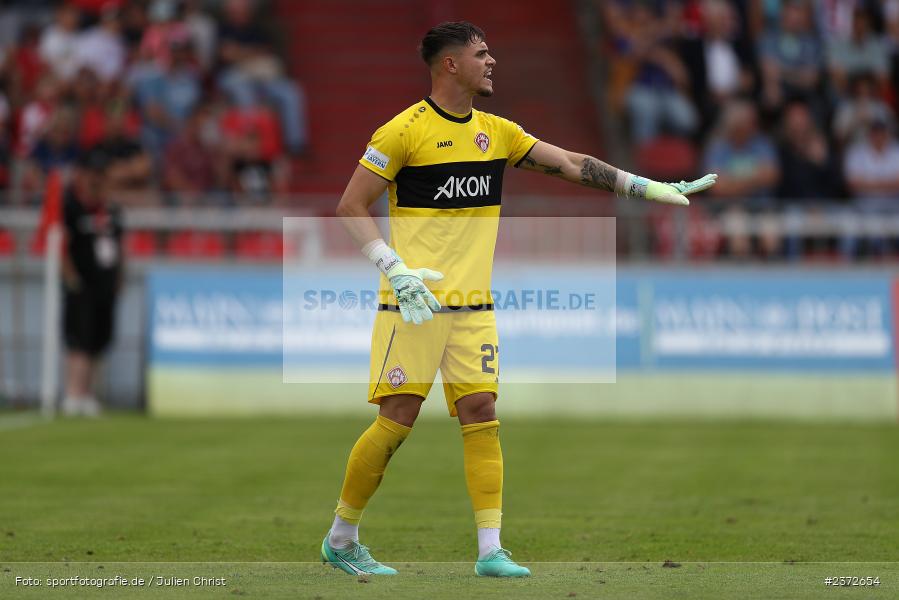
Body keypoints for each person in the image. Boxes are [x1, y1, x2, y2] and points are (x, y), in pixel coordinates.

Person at [321, 21, 717, 577]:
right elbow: (349, 206)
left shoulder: (498, 132)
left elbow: (573, 164)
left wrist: (650, 187)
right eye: (481, 54)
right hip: (414, 304)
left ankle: (490, 551)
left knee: (481, 413)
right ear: (449, 64)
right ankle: (341, 537)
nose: (492, 62)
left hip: (474, 309)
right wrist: (392, 266)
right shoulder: (401, 132)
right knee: (398, 420)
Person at [61, 148, 124, 416]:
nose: (97, 181)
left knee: (98, 341)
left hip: (105, 284)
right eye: (94, 175)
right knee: (79, 340)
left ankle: (87, 393)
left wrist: (120, 277)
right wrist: (70, 275)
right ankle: (73, 393)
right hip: (82, 283)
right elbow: (61, 243)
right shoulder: (72, 207)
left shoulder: (112, 211)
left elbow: (121, 247)